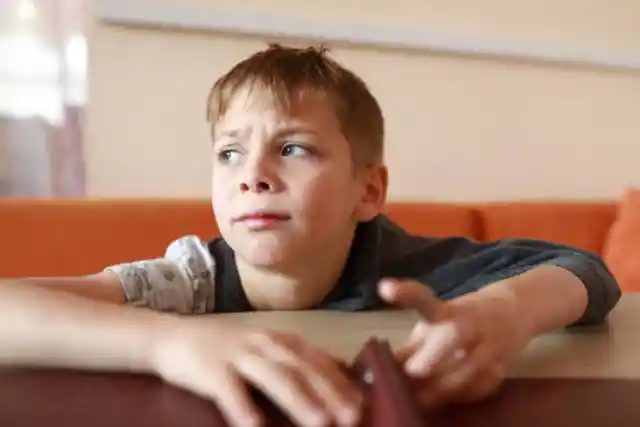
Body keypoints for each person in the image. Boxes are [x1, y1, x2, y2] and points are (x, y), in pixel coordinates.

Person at [0, 44, 621, 427]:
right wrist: (165, 346)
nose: (254, 177)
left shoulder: (403, 267)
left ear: (368, 192)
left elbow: (586, 271)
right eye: (229, 154)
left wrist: (506, 312)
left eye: (292, 148)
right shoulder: (185, 281)